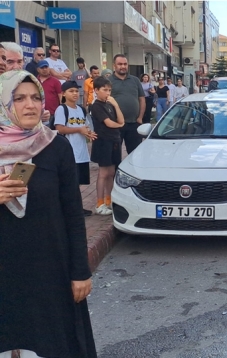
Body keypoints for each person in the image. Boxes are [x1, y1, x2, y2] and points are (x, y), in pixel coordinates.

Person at [0, 70, 97, 358]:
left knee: (50, 346)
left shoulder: (55, 146)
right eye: (19, 98)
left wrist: (80, 272)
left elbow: (72, 215)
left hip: (48, 270)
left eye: (35, 97)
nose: (30, 105)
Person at [54, 81, 97, 216]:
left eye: (76, 91)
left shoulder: (81, 109)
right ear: (64, 93)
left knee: (77, 182)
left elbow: (85, 127)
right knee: (68, 182)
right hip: (68, 152)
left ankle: (77, 207)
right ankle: (68, 209)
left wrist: (89, 133)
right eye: (71, 91)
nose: (74, 93)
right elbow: (60, 129)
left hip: (81, 152)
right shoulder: (62, 109)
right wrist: (79, 129)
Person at [90, 76, 125, 215]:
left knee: (111, 172)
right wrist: (119, 125)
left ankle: (109, 200)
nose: (108, 93)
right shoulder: (96, 106)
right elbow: (109, 123)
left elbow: (121, 119)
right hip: (103, 141)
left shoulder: (109, 104)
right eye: (105, 90)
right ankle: (99, 203)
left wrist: (116, 105)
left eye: (109, 90)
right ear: (96, 90)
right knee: (103, 173)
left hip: (114, 140)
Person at [110, 54, 145, 154]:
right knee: (115, 154)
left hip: (134, 123)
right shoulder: (109, 81)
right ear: (114, 65)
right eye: (120, 64)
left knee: (135, 154)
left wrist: (140, 118)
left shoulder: (135, 80)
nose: (123, 66)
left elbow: (142, 99)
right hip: (116, 125)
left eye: (125, 64)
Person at [37, 61, 62, 128]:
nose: (45, 69)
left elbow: (61, 96)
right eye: (42, 68)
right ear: (38, 70)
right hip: (38, 114)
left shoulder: (55, 81)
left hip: (53, 113)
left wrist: (62, 110)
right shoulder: (35, 81)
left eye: (46, 67)